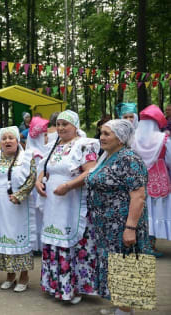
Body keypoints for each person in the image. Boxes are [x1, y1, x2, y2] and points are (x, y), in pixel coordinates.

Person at [86, 119, 151, 315]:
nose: (101, 137)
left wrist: (130, 227)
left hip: (122, 223)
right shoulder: (107, 156)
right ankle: (120, 304)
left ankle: (125, 310)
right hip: (105, 225)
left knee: (125, 263)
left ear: (121, 138)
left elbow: (138, 195)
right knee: (112, 263)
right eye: (101, 133)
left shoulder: (129, 159)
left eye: (107, 134)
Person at [35, 110, 99, 304]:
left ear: (75, 126)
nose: (61, 128)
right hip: (54, 204)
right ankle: (56, 285)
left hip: (73, 201)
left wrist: (69, 186)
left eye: (66, 124)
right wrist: (38, 182)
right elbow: (43, 168)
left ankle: (76, 288)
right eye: (59, 124)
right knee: (54, 239)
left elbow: (90, 171)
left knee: (73, 242)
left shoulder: (84, 145)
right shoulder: (54, 144)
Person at [0, 126, 37, 292]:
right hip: (0, 205)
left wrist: (20, 195)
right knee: (5, 238)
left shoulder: (27, 158)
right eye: (4, 138)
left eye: (11, 138)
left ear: (17, 141)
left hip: (19, 206)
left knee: (19, 238)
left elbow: (32, 179)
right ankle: (10, 274)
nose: (7, 141)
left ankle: (24, 276)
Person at [132, 105, 171, 256]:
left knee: (139, 210)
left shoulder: (132, 139)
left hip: (137, 178)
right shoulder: (164, 140)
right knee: (155, 212)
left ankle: (141, 243)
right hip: (159, 178)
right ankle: (150, 245)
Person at [25, 116, 50, 252]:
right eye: (44, 135)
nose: (47, 138)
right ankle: (37, 245)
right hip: (36, 191)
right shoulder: (36, 154)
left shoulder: (35, 152)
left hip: (37, 190)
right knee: (38, 217)